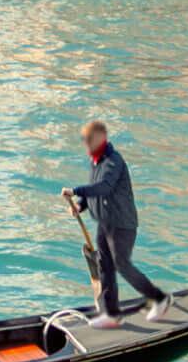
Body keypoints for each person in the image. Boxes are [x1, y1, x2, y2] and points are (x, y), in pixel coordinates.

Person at [67, 119, 169, 328]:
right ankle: (112, 314)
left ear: (101, 139)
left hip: (122, 224)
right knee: (105, 266)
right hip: (104, 223)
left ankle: (160, 298)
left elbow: (104, 187)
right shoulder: (95, 161)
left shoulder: (114, 161)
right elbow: (93, 191)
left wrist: (76, 190)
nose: (85, 144)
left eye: (89, 140)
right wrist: (80, 205)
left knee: (121, 265)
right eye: (84, 140)